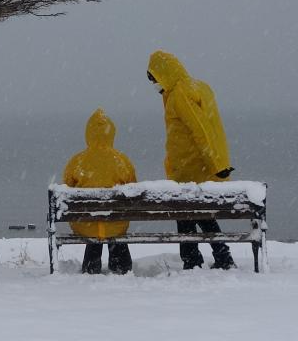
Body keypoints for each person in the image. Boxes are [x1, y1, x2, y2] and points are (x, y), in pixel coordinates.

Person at [147, 50, 237, 270]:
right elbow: (211, 127)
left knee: (188, 214)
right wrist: (218, 163)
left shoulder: (180, 94)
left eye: (155, 80)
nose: (156, 86)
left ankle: (196, 260)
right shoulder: (199, 87)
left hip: (192, 169)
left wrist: (217, 165)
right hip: (200, 167)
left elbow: (200, 130)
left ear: (163, 74)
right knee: (200, 214)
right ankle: (217, 257)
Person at [62, 108, 137, 274]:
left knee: (94, 224)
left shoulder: (78, 160)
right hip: (115, 223)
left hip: (85, 224)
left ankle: (91, 266)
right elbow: (133, 187)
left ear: (88, 133)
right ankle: (121, 266)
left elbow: (67, 186)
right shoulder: (121, 160)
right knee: (113, 224)